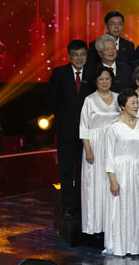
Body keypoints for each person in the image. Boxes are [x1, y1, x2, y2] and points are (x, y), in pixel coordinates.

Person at [49, 40, 93, 218]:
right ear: (69, 56)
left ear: (87, 55)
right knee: (66, 169)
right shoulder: (59, 73)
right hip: (67, 131)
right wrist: (66, 121)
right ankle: (69, 206)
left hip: (88, 133)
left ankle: (83, 205)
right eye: (75, 55)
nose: (79, 58)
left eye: (82, 55)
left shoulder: (93, 72)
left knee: (85, 171)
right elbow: (53, 102)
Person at [104, 89, 139, 255]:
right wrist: (113, 180)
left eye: (137, 102)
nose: (136, 106)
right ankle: (120, 245)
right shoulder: (113, 127)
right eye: (132, 103)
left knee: (138, 206)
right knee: (121, 207)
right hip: (121, 171)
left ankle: (138, 245)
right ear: (122, 106)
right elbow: (108, 156)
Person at [78, 66, 120, 233]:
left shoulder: (118, 98)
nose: (104, 82)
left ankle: (111, 226)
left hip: (114, 145)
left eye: (107, 78)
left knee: (111, 183)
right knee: (95, 185)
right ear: (95, 81)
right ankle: (95, 227)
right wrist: (88, 149)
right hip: (95, 146)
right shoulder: (90, 100)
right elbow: (84, 127)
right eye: (101, 79)